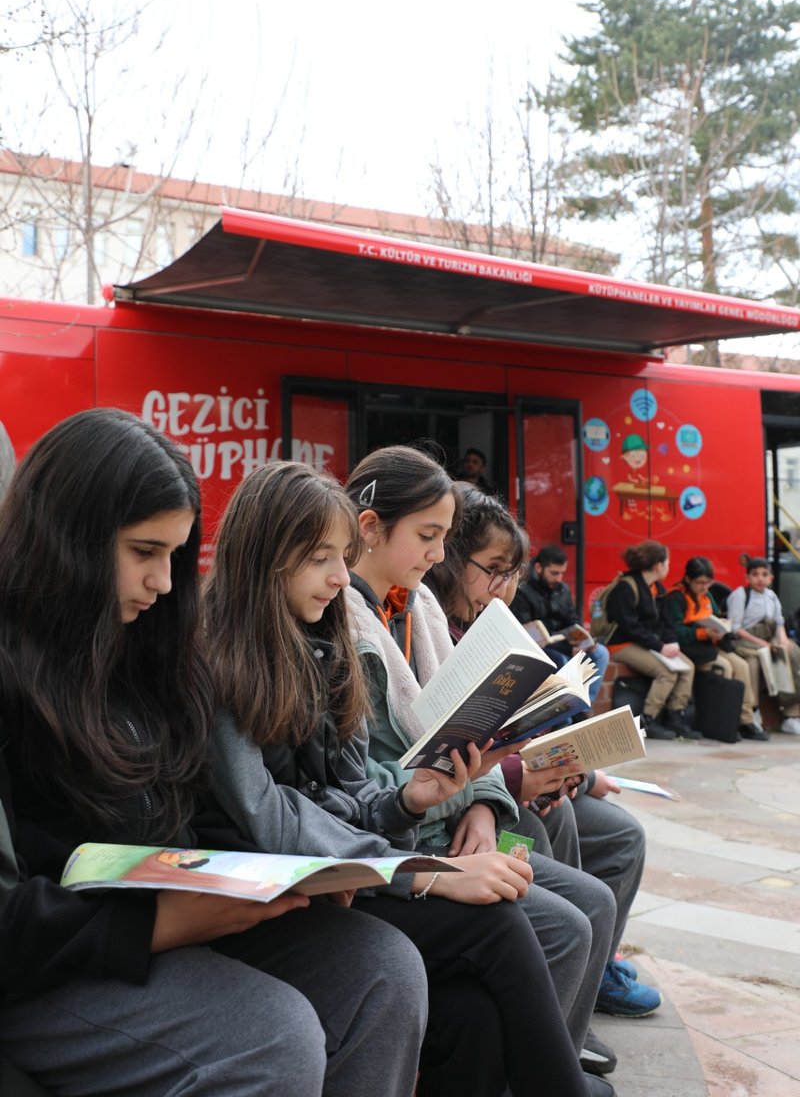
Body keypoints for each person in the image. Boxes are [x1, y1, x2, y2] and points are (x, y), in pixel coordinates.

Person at [0, 408, 428, 1097]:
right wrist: (158, 919)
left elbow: (187, 824)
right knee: (271, 1036)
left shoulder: (151, 651)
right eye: (144, 552)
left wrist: (279, 874)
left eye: (175, 555)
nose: (165, 583)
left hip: (164, 912)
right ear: (65, 538)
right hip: (62, 955)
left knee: (382, 966)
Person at [202, 458, 590, 1097]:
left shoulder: (319, 641)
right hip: (272, 886)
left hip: (346, 867)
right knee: (497, 925)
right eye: (320, 557)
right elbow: (272, 819)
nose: (337, 577)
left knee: (475, 1017)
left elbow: (348, 792)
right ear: (264, 556)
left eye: (341, 555)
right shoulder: (221, 659)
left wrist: (411, 799)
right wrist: (424, 871)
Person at [342, 447, 618, 1097]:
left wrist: (486, 803)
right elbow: (369, 789)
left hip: (447, 826)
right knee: (551, 917)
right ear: (370, 527)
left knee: (581, 898)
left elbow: (466, 734)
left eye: (442, 539)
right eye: (429, 538)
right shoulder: (349, 630)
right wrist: (485, 787)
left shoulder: (419, 612)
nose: (435, 557)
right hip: (404, 849)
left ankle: (553, 1050)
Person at [426, 484, 659, 1037]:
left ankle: (584, 983)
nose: (503, 590)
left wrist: (568, 760)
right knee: (546, 829)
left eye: (512, 576)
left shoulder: (476, 623)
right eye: (492, 570)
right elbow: (428, 758)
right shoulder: (425, 625)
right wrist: (507, 785)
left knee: (617, 835)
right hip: (457, 808)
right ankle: (557, 1007)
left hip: (499, 785)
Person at [664, 556, 768, 741]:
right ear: (688, 579)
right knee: (725, 668)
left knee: (742, 666)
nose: (704, 587)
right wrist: (702, 633)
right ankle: (722, 721)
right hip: (691, 649)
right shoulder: (676, 597)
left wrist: (722, 628)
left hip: (711, 645)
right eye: (699, 583)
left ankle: (745, 720)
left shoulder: (707, 596)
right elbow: (675, 630)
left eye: (707, 582)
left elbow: (718, 616)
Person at [604, 540, 699, 741]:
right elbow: (630, 627)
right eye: (668, 562)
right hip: (623, 644)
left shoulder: (657, 588)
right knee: (666, 672)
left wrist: (671, 643)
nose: (668, 566)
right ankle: (648, 719)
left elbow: (665, 623)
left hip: (649, 643)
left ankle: (676, 715)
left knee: (687, 666)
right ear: (659, 566)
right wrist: (660, 646)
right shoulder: (626, 587)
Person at [510, 544, 610, 709]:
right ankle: (563, 713)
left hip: (564, 643)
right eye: (554, 573)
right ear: (539, 568)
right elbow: (529, 633)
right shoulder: (523, 591)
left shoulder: (562, 589)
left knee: (601, 653)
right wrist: (568, 648)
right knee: (561, 660)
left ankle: (582, 707)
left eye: (562, 573)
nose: (559, 579)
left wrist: (583, 641)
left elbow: (572, 620)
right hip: (540, 647)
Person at [727, 556, 800, 735]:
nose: (760, 578)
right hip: (746, 641)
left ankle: (791, 712)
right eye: (755, 574)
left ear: (771, 578)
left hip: (768, 640)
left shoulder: (772, 597)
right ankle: (753, 710)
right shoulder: (739, 595)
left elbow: (779, 623)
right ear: (747, 577)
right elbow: (735, 628)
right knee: (753, 662)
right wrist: (762, 644)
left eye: (764, 574)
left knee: (792, 653)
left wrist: (782, 640)